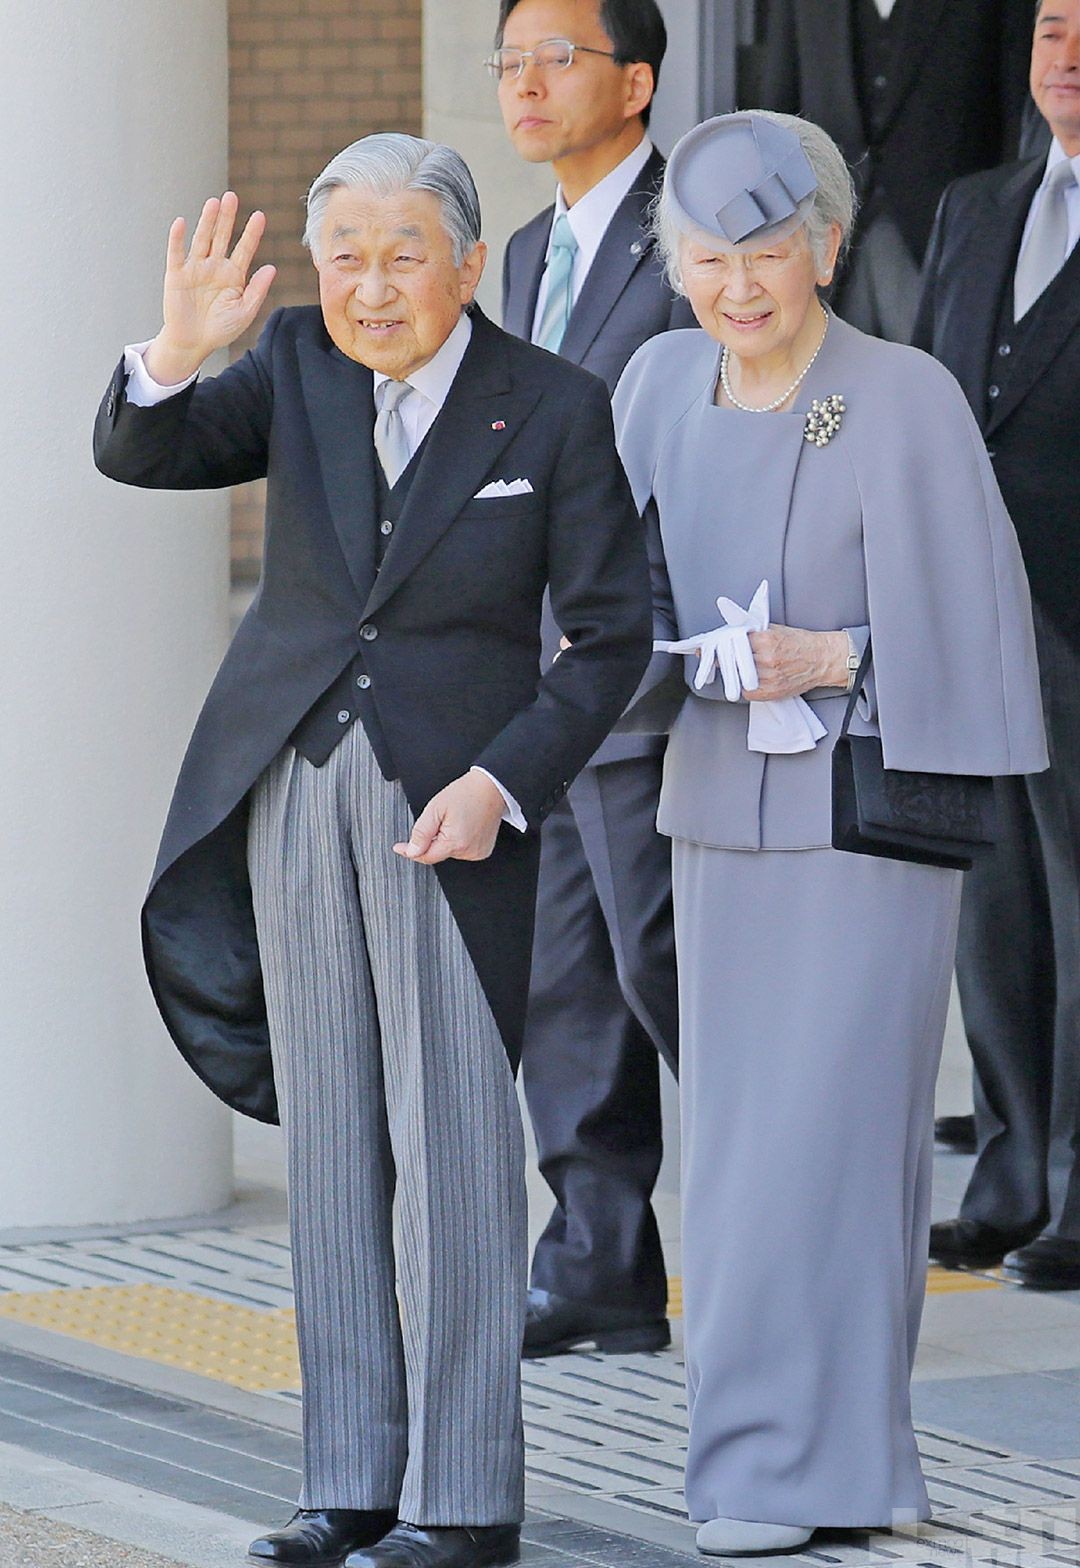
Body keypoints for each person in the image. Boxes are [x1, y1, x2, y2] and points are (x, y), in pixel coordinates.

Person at [93, 134, 651, 1568]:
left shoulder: (557, 406)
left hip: (455, 805)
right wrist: (173, 347)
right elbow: (142, 449)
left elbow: (610, 640)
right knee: (331, 1140)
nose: (372, 283)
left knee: (460, 1148)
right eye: (347, 254)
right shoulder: (292, 364)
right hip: (296, 780)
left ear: (470, 263)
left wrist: (504, 782)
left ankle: (464, 1493)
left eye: (406, 252)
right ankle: (347, 1475)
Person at [612, 111, 1046, 1557]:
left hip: (865, 830)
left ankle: (847, 1468)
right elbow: (603, 597)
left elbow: (981, 631)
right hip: (713, 818)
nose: (742, 284)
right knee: (734, 1152)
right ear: (675, 266)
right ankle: (745, 1460)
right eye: (711, 256)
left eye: (771, 251)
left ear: (828, 247)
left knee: (847, 1149)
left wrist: (839, 655)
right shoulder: (660, 388)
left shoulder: (905, 395)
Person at [494, 0, 692, 1359]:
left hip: (658, 669)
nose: (524, 83)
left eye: (554, 58)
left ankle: (796, 1224)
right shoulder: (520, 252)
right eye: (507, 61)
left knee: (670, 967)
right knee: (563, 977)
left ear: (636, 81)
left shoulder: (699, 235)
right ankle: (600, 1263)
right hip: (541, 675)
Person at [918, 0, 1080, 1290]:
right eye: (1051, 29)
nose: (1065, 54)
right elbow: (921, 399)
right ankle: (1014, 1174)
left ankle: (1077, 1186)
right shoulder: (976, 206)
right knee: (997, 902)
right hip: (970, 610)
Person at [760, 0, 1032, 341]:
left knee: (939, 380)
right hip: (827, 230)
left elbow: (1016, 110)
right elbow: (778, 109)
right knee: (825, 377)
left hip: (947, 234)